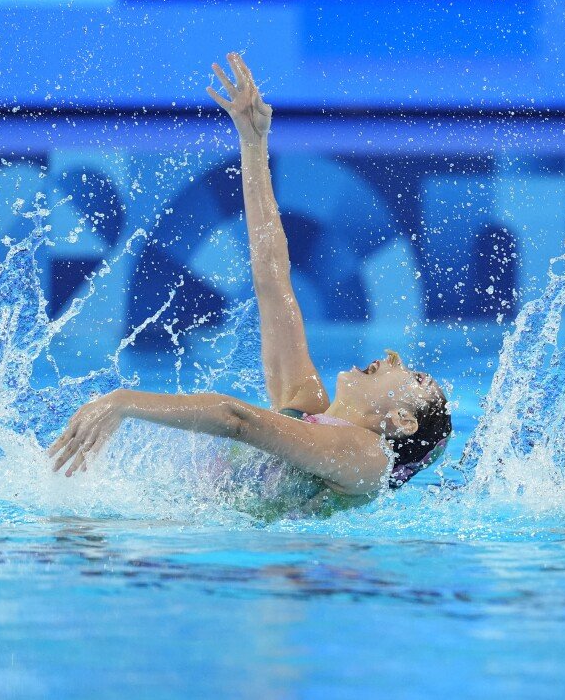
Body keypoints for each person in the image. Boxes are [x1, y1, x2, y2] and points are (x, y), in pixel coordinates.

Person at [49, 53, 451, 506]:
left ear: (402, 420)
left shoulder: (365, 458)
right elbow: (272, 276)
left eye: (416, 376)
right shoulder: (307, 405)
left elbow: (235, 419)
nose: (392, 358)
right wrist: (254, 142)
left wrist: (122, 400)